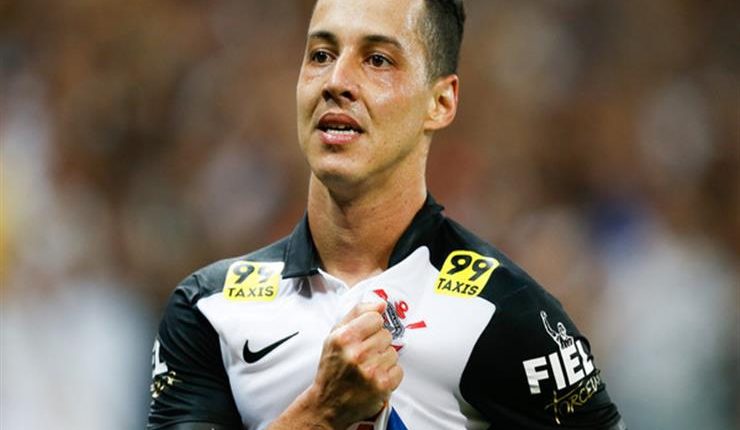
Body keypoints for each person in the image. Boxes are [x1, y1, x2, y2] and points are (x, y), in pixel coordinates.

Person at [147, 0, 627, 428]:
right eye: (321, 55)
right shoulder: (211, 308)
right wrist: (321, 414)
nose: (336, 82)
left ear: (441, 102)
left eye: (377, 60)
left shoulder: (504, 311)